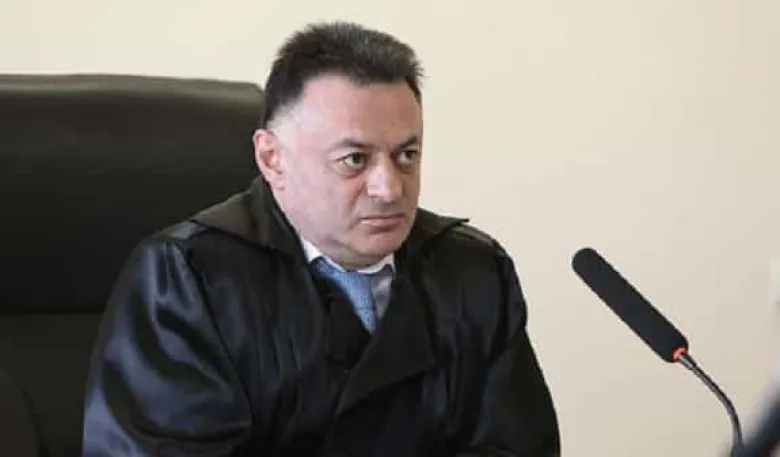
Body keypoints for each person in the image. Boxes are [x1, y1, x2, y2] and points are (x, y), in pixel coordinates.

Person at [81, 21, 561, 457]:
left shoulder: (473, 272)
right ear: (272, 159)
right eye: (355, 160)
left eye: (406, 155)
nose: (389, 189)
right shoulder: (191, 279)